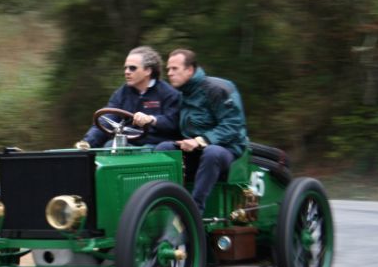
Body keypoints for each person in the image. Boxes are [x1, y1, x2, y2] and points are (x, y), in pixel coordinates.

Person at [155, 48, 248, 213]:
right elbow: (172, 121)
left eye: (174, 69)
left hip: (227, 149)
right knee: (163, 149)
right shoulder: (182, 94)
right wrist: (150, 121)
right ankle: (166, 206)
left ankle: (194, 211)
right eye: (168, 69)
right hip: (194, 151)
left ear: (189, 70)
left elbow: (233, 124)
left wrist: (200, 141)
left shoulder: (217, 88)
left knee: (212, 153)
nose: (169, 73)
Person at [75, 46, 181, 149]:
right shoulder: (122, 93)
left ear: (148, 71)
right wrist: (88, 142)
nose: (127, 71)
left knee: (147, 150)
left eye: (132, 68)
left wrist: (151, 119)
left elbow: (172, 122)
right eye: (125, 68)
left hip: (155, 145)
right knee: (110, 146)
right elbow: (107, 119)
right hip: (130, 144)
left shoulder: (169, 93)